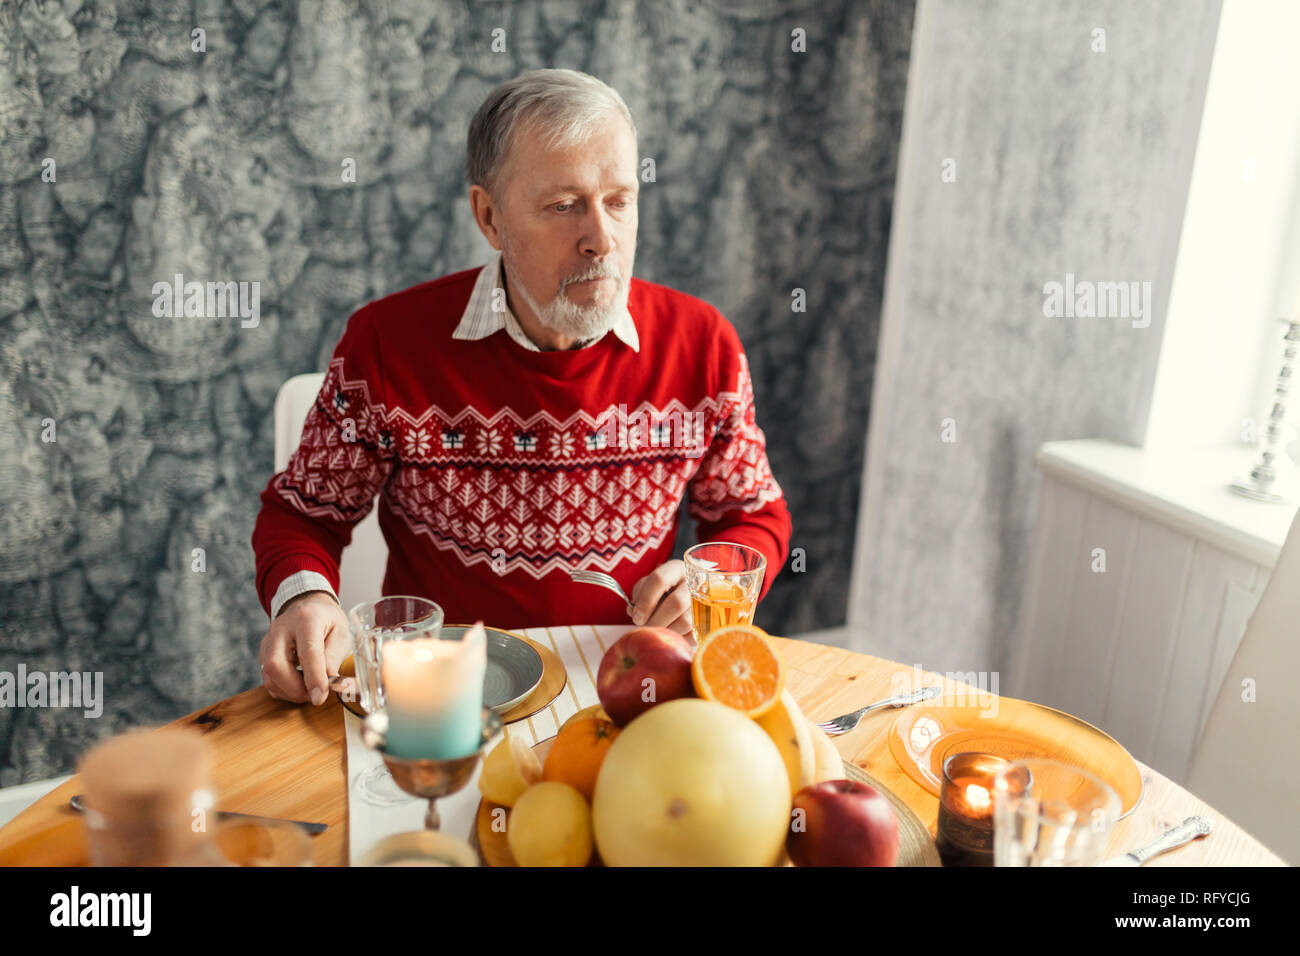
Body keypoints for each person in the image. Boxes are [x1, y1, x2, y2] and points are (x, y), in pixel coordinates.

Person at [251, 69, 791, 705]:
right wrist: (307, 596)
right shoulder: (386, 344)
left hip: (630, 694)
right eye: (564, 206)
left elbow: (751, 515)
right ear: (490, 217)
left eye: (619, 200)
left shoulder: (704, 345)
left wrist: (707, 579)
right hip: (445, 701)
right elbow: (302, 515)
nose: (602, 240)